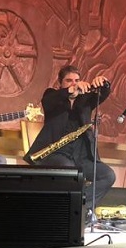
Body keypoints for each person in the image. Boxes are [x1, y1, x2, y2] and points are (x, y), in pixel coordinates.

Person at [23, 65, 116, 219]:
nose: (74, 83)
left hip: (82, 156)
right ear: (60, 83)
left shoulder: (85, 100)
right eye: (69, 81)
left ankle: (79, 207)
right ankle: (70, 210)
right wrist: (71, 91)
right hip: (56, 154)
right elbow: (48, 100)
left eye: (77, 80)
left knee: (108, 175)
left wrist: (103, 82)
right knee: (71, 171)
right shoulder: (52, 96)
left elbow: (104, 93)